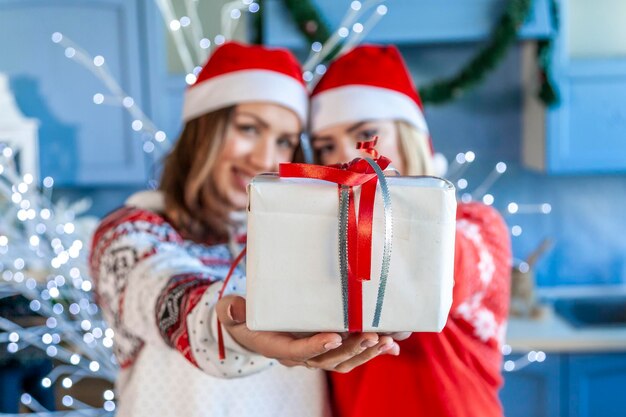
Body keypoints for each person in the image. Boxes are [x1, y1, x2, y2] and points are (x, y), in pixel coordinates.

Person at [89, 42, 399, 417]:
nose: (266, 158)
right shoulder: (130, 232)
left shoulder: (312, 238)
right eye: (250, 128)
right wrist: (230, 324)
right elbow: (163, 290)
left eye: (284, 140)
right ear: (204, 129)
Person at [309, 44, 512, 417]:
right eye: (324, 147)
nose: (345, 158)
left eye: (366, 133)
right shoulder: (322, 244)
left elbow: (448, 268)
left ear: (408, 134)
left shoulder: (477, 225)